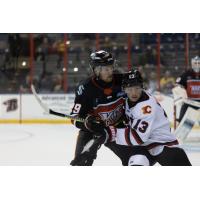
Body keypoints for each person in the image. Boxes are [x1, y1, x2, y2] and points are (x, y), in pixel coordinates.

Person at [70, 50, 155, 166]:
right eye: (106, 69)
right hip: (93, 130)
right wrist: (88, 123)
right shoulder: (85, 89)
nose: (111, 71)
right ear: (96, 70)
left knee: (134, 159)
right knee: (81, 163)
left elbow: (138, 93)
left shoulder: (122, 80)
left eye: (111, 67)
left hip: (117, 129)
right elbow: (74, 118)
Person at [115, 69, 191, 166]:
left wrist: (112, 132)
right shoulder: (126, 100)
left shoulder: (146, 107)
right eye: (130, 89)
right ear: (124, 89)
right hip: (143, 146)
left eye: (137, 88)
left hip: (162, 144)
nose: (134, 93)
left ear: (142, 87)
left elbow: (137, 138)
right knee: (136, 163)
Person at [175, 56, 200, 122]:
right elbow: (178, 84)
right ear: (192, 64)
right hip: (189, 101)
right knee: (184, 108)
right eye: (195, 63)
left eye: (198, 63)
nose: (197, 65)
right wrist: (181, 93)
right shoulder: (186, 74)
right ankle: (181, 121)